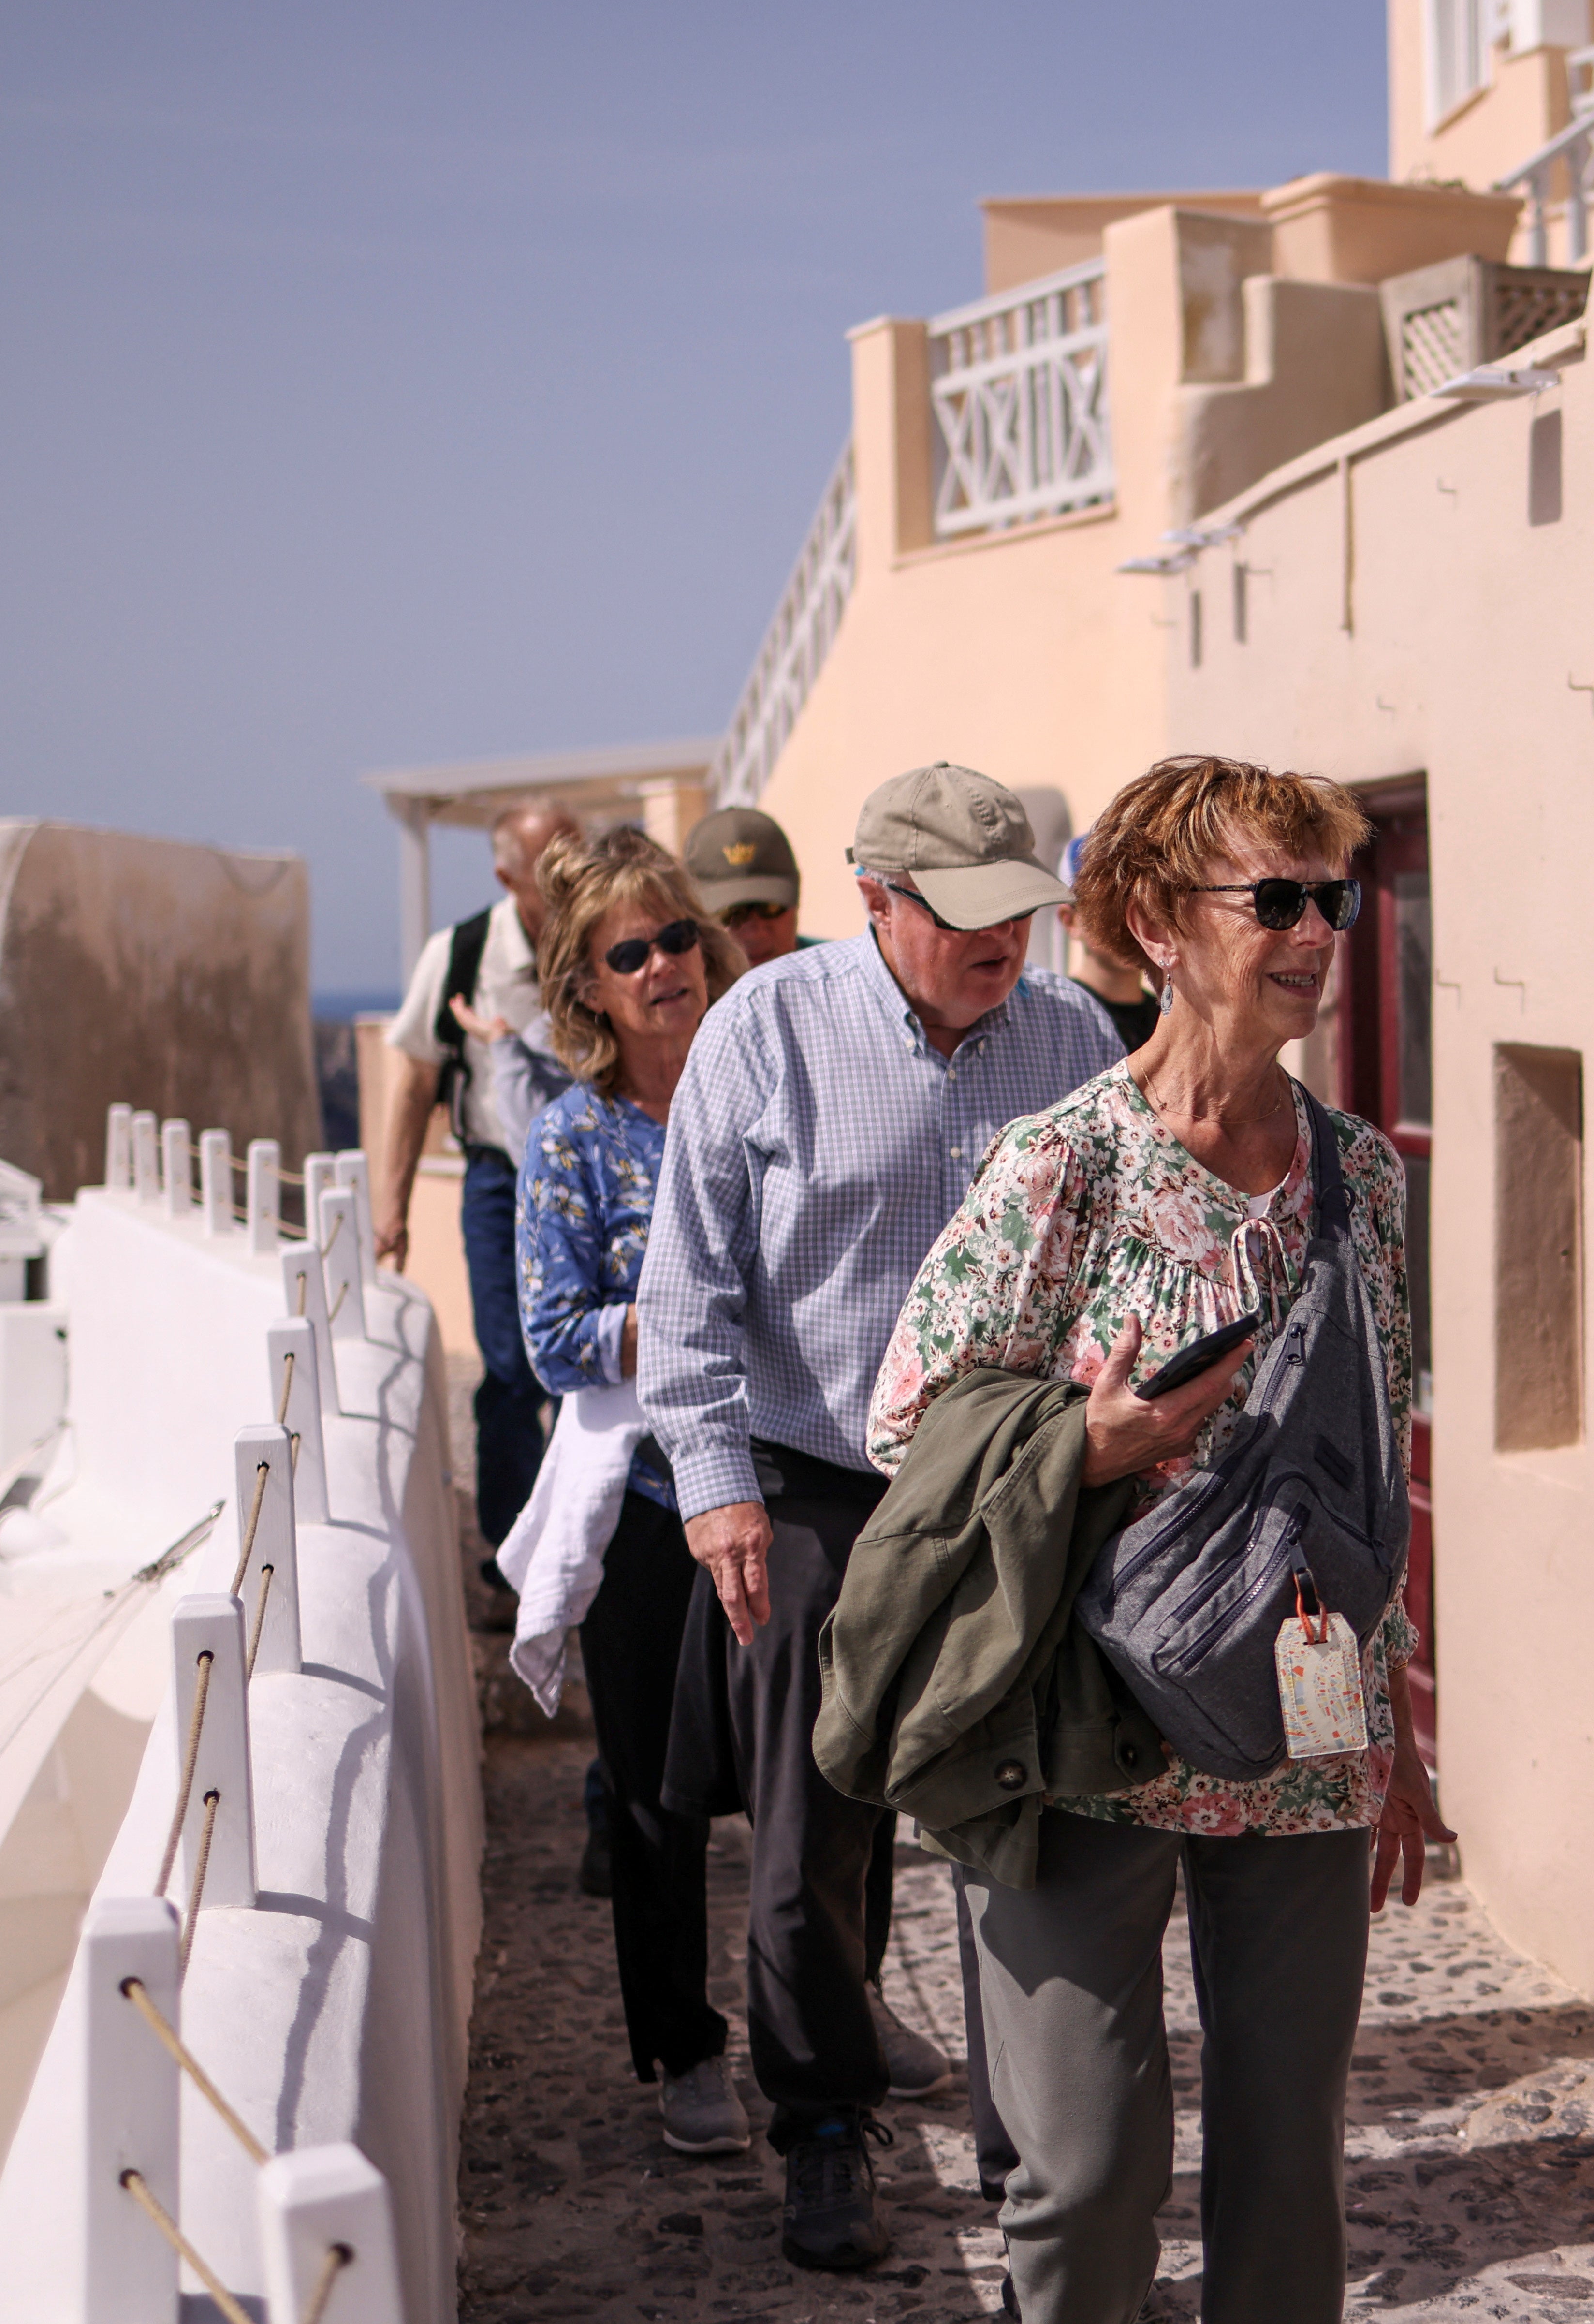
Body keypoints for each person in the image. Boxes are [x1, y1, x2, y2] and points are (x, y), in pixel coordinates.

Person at [866, 753, 1439, 2324]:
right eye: (1277, 899)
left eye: (1332, 898)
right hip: (1084, 1724)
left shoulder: (1360, 1175)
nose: (1314, 931)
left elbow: (1368, 1466)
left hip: (1303, 1726)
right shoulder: (1066, 1163)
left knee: (1290, 2158)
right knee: (1085, 2174)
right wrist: (1090, 1444)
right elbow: (906, 1420)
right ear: (1157, 926)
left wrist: (1390, 1721)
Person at [638, 761, 1121, 2271]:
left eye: (1019, 911)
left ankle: (1029, 2147)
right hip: (812, 1482)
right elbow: (686, 1282)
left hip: (1015, 1486)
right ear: (876, 901)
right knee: (809, 1837)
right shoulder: (765, 1030)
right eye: (966, 914)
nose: (1002, 941)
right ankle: (826, 2125)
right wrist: (716, 1490)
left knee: (1022, 1822)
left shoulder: (1073, 1036)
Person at [513, 828, 756, 2158]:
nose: (663, 965)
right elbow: (554, 1338)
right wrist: (686, 1321)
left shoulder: (762, 1090)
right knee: (660, 1799)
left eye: (675, 938)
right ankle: (685, 2047)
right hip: (653, 1511)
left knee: (823, 1770)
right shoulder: (571, 1139)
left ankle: (837, 2014)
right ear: (589, 990)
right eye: (629, 953)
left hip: (780, 1480)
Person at [376, 797, 581, 1614]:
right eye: (551, 864)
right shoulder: (461, 953)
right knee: (508, 1370)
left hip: (590, 1182)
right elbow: (415, 1083)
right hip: (499, 1181)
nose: (570, 876)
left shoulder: (605, 939)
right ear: (506, 874)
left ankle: (583, 1550)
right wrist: (390, 1208)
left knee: (588, 1371)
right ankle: (510, 1562)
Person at [1054, 833, 1161, 1048]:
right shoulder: (1056, 1016)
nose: (1130, 921)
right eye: (1109, 906)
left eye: (1142, 902)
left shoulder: (1170, 1019)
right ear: (1071, 921)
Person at [683, 803, 812, 967]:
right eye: (730, 913)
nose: (754, 932)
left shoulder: (838, 973)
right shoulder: (678, 981)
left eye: (770, 907)